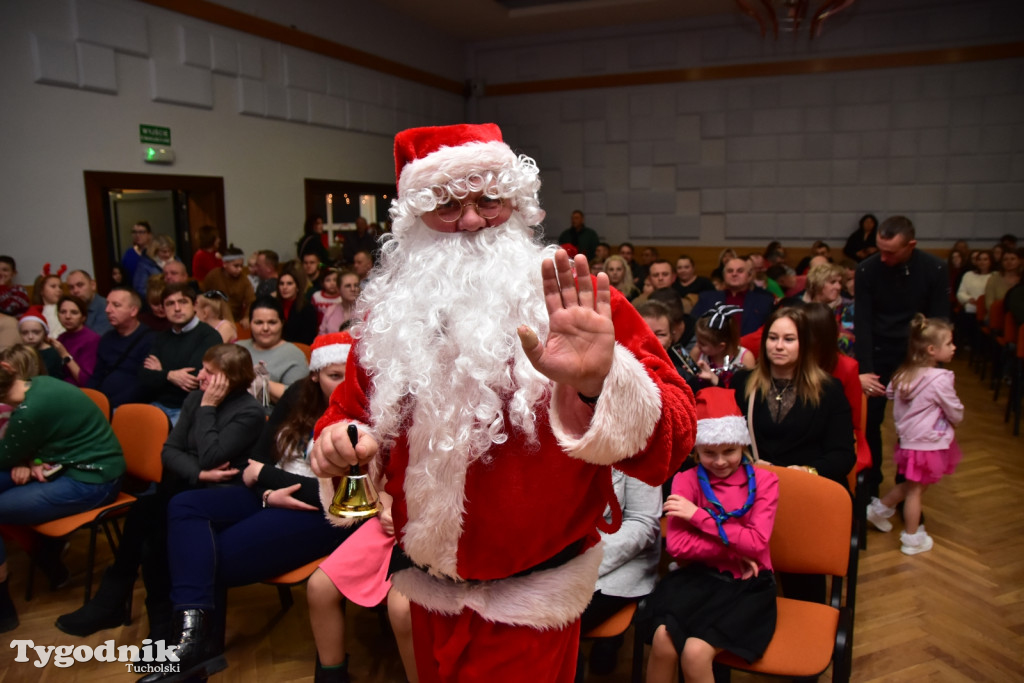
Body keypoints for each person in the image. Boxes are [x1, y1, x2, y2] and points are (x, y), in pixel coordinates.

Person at [310, 123, 696, 681]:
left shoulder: (570, 296)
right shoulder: (391, 312)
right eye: (446, 204)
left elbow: (674, 440)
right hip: (425, 591)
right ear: (415, 217)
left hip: (531, 605)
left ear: (515, 202)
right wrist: (337, 439)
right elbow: (349, 410)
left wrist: (601, 383)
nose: (470, 220)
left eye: (488, 198)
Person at [141, 335, 357, 682]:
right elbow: (253, 462)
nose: (345, 385)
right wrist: (268, 489)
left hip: (320, 511)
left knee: (209, 555)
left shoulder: (362, 414)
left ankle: (192, 650)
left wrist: (271, 479)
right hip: (271, 494)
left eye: (350, 375)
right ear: (315, 375)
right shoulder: (297, 397)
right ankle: (193, 640)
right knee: (184, 504)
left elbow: (350, 497)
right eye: (335, 375)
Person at [56, 345, 264, 640]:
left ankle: (153, 618)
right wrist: (198, 471)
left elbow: (211, 455)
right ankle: (121, 603)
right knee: (143, 512)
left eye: (210, 372)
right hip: (189, 485)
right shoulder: (194, 399)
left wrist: (208, 408)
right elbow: (170, 450)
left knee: (157, 538)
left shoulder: (249, 411)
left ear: (229, 379)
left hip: (220, 496)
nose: (200, 376)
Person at [641, 388, 778, 683]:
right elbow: (678, 547)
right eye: (709, 453)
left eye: (729, 451)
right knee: (663, 641)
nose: (719, 462)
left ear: (742, 445)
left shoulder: (766, 481)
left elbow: (757, 543)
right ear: (696, 451)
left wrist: (698, 516)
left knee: (695, 652)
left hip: (747, 585)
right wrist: (734, 551)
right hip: (699, 578)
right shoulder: (685, 480)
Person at [0, 367, 125, 632]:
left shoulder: (27, 413)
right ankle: (48, 559)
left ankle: (5, 606)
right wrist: (32, 460)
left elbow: (5, 454)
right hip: (64, 465)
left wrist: (27, 459)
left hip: (92, 480)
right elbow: (28, 445)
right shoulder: (39, 383)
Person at [855, 215, 948, 499]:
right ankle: (870, 485)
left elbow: (939, 323)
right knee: (870, 423)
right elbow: (863, 322)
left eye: (891, 252)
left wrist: (933, 372)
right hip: (879, 355)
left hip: (916, 359)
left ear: (911, 245)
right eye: (880, 249)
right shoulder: (867, 270)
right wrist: (865, 369)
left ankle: (905, 486)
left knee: (915, 428)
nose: (883, 257)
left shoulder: (934, 268)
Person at [866, 315, 962, 555]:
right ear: (932, 350)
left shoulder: (902, 374)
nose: (954, 347)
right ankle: (912, 539)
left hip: (908, 441)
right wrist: (957, 418)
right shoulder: (940, 379)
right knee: (916, 491)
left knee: (912, 485)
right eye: (949, 343)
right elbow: (954, 409)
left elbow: (889, 393)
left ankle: (878, 510)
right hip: (927, 443)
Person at [732, 307, 856, 487]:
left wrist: (807, 470)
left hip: (809, 489)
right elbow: (726, 444)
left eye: (788, 339)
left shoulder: (829, 390)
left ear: (805, 345)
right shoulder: (743, 382)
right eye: (773, 338)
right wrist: (747, 464)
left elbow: (842, 454)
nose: (778, 346)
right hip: (754, 488)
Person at [138, 284, 223, 425]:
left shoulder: (209, 336)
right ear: (163, 309)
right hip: (158, 405)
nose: (177, 308)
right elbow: (144, 376)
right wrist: (170, 375)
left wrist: (160, 373)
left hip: (189, 409)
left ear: (195, 305)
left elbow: (193, 381)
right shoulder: (161, 337)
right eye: (170, 304)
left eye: (183, 302)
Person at [87, 287, 154, 408]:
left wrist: (109, 406)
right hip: (101, 405)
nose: (107, 310)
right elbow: (97, 375)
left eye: (116, 305)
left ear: (133, 311)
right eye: (107, 304)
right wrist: (88, 399)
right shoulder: (106, 338)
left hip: (128, 408)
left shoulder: (150, 340)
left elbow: (143, 386)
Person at [239, 297, 310, 410]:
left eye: (272, 322)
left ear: (282, 323)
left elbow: (300, 398)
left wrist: (262, 383)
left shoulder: (294, 354)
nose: (265, 328)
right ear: (250, 323)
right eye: (259, 323)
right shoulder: (238, 347)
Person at [692, 257, 774, 335]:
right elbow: (694, 327)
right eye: (730, 271)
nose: (734, 274)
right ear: (724, 276)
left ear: (749, 276)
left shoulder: (764, 301)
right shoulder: (706, 298)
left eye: (740, 271)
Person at [690, 304, 756, 390]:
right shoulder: (697, 352)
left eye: (702, 344)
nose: (697, 345)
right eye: (697, 340)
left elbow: (748, 391)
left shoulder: (745, 358)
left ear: (721, 346)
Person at [51, 294, 101, 386]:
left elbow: (85, 381)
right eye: (63, 312)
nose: (67, 316)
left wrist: (65, 355)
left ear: (83, 317)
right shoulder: (61, 338)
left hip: (80, 391)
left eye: (74, 312)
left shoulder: (92, 339)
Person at [956, 249, 992, 346]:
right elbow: (961, 292)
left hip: (986, 309)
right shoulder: (968, 275)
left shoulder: (994, 276)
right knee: (963, 317)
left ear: (990, 261)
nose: (982, 262)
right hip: (970, 307)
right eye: (979, 259)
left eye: (985, 259)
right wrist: (968, 299)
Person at [277, 262, 318, 345]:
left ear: (297, 287)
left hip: (299, 349)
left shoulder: (307, 308)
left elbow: (308, 338)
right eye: (281, 284)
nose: (284, 287)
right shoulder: (273, 306)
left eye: (289, 284)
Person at [66, 269, 112, 336]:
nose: (75, 291)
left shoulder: (106, 307)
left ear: (93, 285)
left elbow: (95, 340)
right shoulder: (71, 310)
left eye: (80, 285)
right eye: (71, 287)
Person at [18, 308, 62, 377]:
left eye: (36, 332)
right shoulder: (19, 352)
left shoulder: (51, 354)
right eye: (25, 333)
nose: (30, 337)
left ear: (45, 332)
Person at [319, 270, 359, 335]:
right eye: (348, 286)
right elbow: (321, 336)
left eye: (356, 285)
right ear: (338, 289)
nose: (353, 289)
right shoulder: (330, 310)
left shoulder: (365, 311)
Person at [984, 248, 1021, 314]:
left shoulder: (1022, 278)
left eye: (1013, 259)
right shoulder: (994, 279)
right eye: (1005, 259)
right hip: (997, 316)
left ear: (1019, 261)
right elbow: (989, 304)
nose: (1009, 262)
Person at [32, 271, 66, 338]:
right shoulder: (35, 312)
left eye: (60, 287)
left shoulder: (65, 310)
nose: (58, 290)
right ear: (41, 290)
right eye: (53, 286)